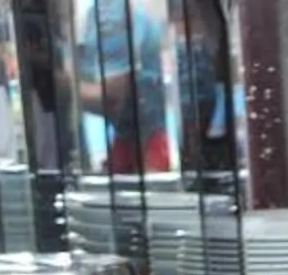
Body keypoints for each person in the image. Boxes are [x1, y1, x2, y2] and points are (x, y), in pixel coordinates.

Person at [74, 0, 231, 175]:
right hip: (142, 140)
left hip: (150, 142)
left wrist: (64, 88)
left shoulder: (110, 12)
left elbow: (114, 94)